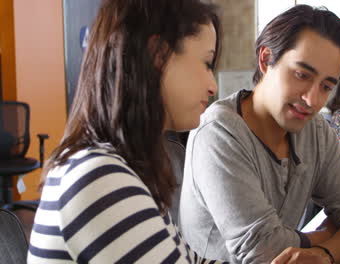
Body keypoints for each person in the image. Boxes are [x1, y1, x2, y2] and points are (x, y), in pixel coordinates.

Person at [180, 5, 340, 264]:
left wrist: (325, 254)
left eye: (326, 86)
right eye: (302, 75)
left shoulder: (315, 132)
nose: (312, 100)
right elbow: (264, 251)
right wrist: (331, 234)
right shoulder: (219, 133)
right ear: (266, 60)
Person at [27, 0, 226, 263]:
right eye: (206, 63)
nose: (213, 86)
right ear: (158, 55)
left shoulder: (126, 170)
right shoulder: (100, 177)